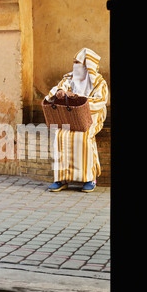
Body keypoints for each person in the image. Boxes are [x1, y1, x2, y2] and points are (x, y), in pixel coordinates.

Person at [45, 48, 108, 193]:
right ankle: (61, 179)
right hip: (69, 117)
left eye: (78, 63)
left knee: (84, 137)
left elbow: (100, 101)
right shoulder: (69, 78)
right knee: (60, 135)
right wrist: (59, 93)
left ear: (88, 66)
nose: (75, 66)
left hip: (92, 117)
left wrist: (76, 98)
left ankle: (89, 179)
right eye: (74, 63)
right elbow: (55, 91)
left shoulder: (99, 82)